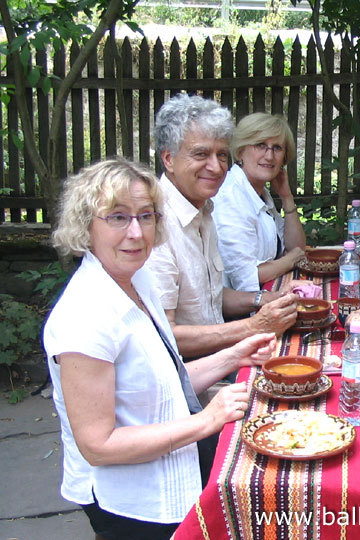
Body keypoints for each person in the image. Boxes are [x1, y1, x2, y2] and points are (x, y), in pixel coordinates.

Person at [44, 158, 277, 540]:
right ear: (86, 225)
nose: (136, 232)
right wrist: (207, 420)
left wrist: (235, 355)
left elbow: (165, 383)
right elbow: (98, 446)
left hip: (175, 467)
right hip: (131, 503)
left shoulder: (136, 281)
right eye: (118, 217)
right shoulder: (84, 317)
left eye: (146, 216)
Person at [146, 94, 302, 359]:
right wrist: (253, 326)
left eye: (220, 155)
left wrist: (261, 300)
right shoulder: (153, 224)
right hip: (187, 376)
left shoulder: (204, 210)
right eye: (200, 154)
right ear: (168, 159)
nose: (216, 167)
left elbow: (212, 299)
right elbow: (164, 337)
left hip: (221, 354)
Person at [213, 112, 307, 292]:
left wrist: (287, 197)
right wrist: (290, 260)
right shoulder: (230, 198)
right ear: (241, 151)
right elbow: (248, 276)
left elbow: (296, 247)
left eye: (277, 148)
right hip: (237, 311)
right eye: (260, 145)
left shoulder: (259, 192)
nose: (269, 156)